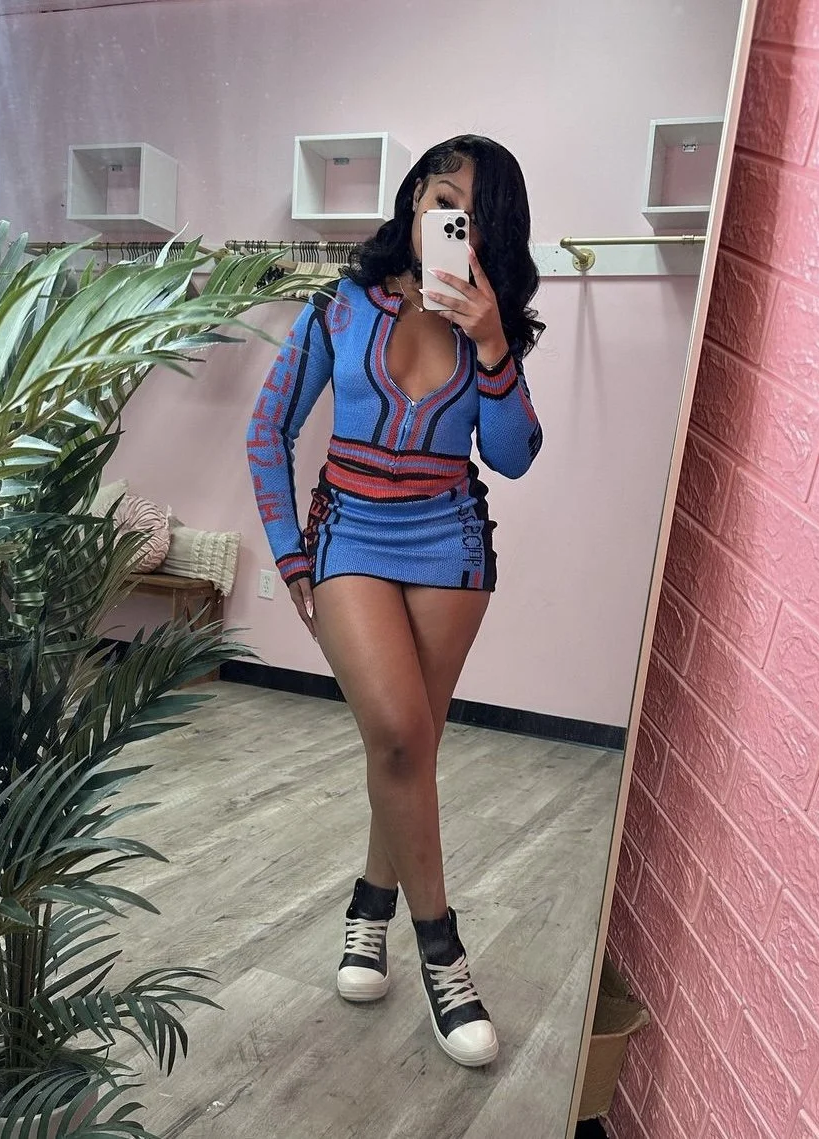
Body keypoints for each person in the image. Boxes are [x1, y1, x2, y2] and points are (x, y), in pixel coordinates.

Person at [245, 135, 543, 1067]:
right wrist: (291, 556)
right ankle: (444, 954)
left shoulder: (489, 322)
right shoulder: (339, 306)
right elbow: (267, 432)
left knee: (407, 745)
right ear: (414, 197)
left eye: (475, 216)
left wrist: (491, 341)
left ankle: (370, 904)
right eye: (443, 199)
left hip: (450, 543)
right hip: (350, 537)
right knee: (403, 736)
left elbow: (515, 454)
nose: (454, 221)